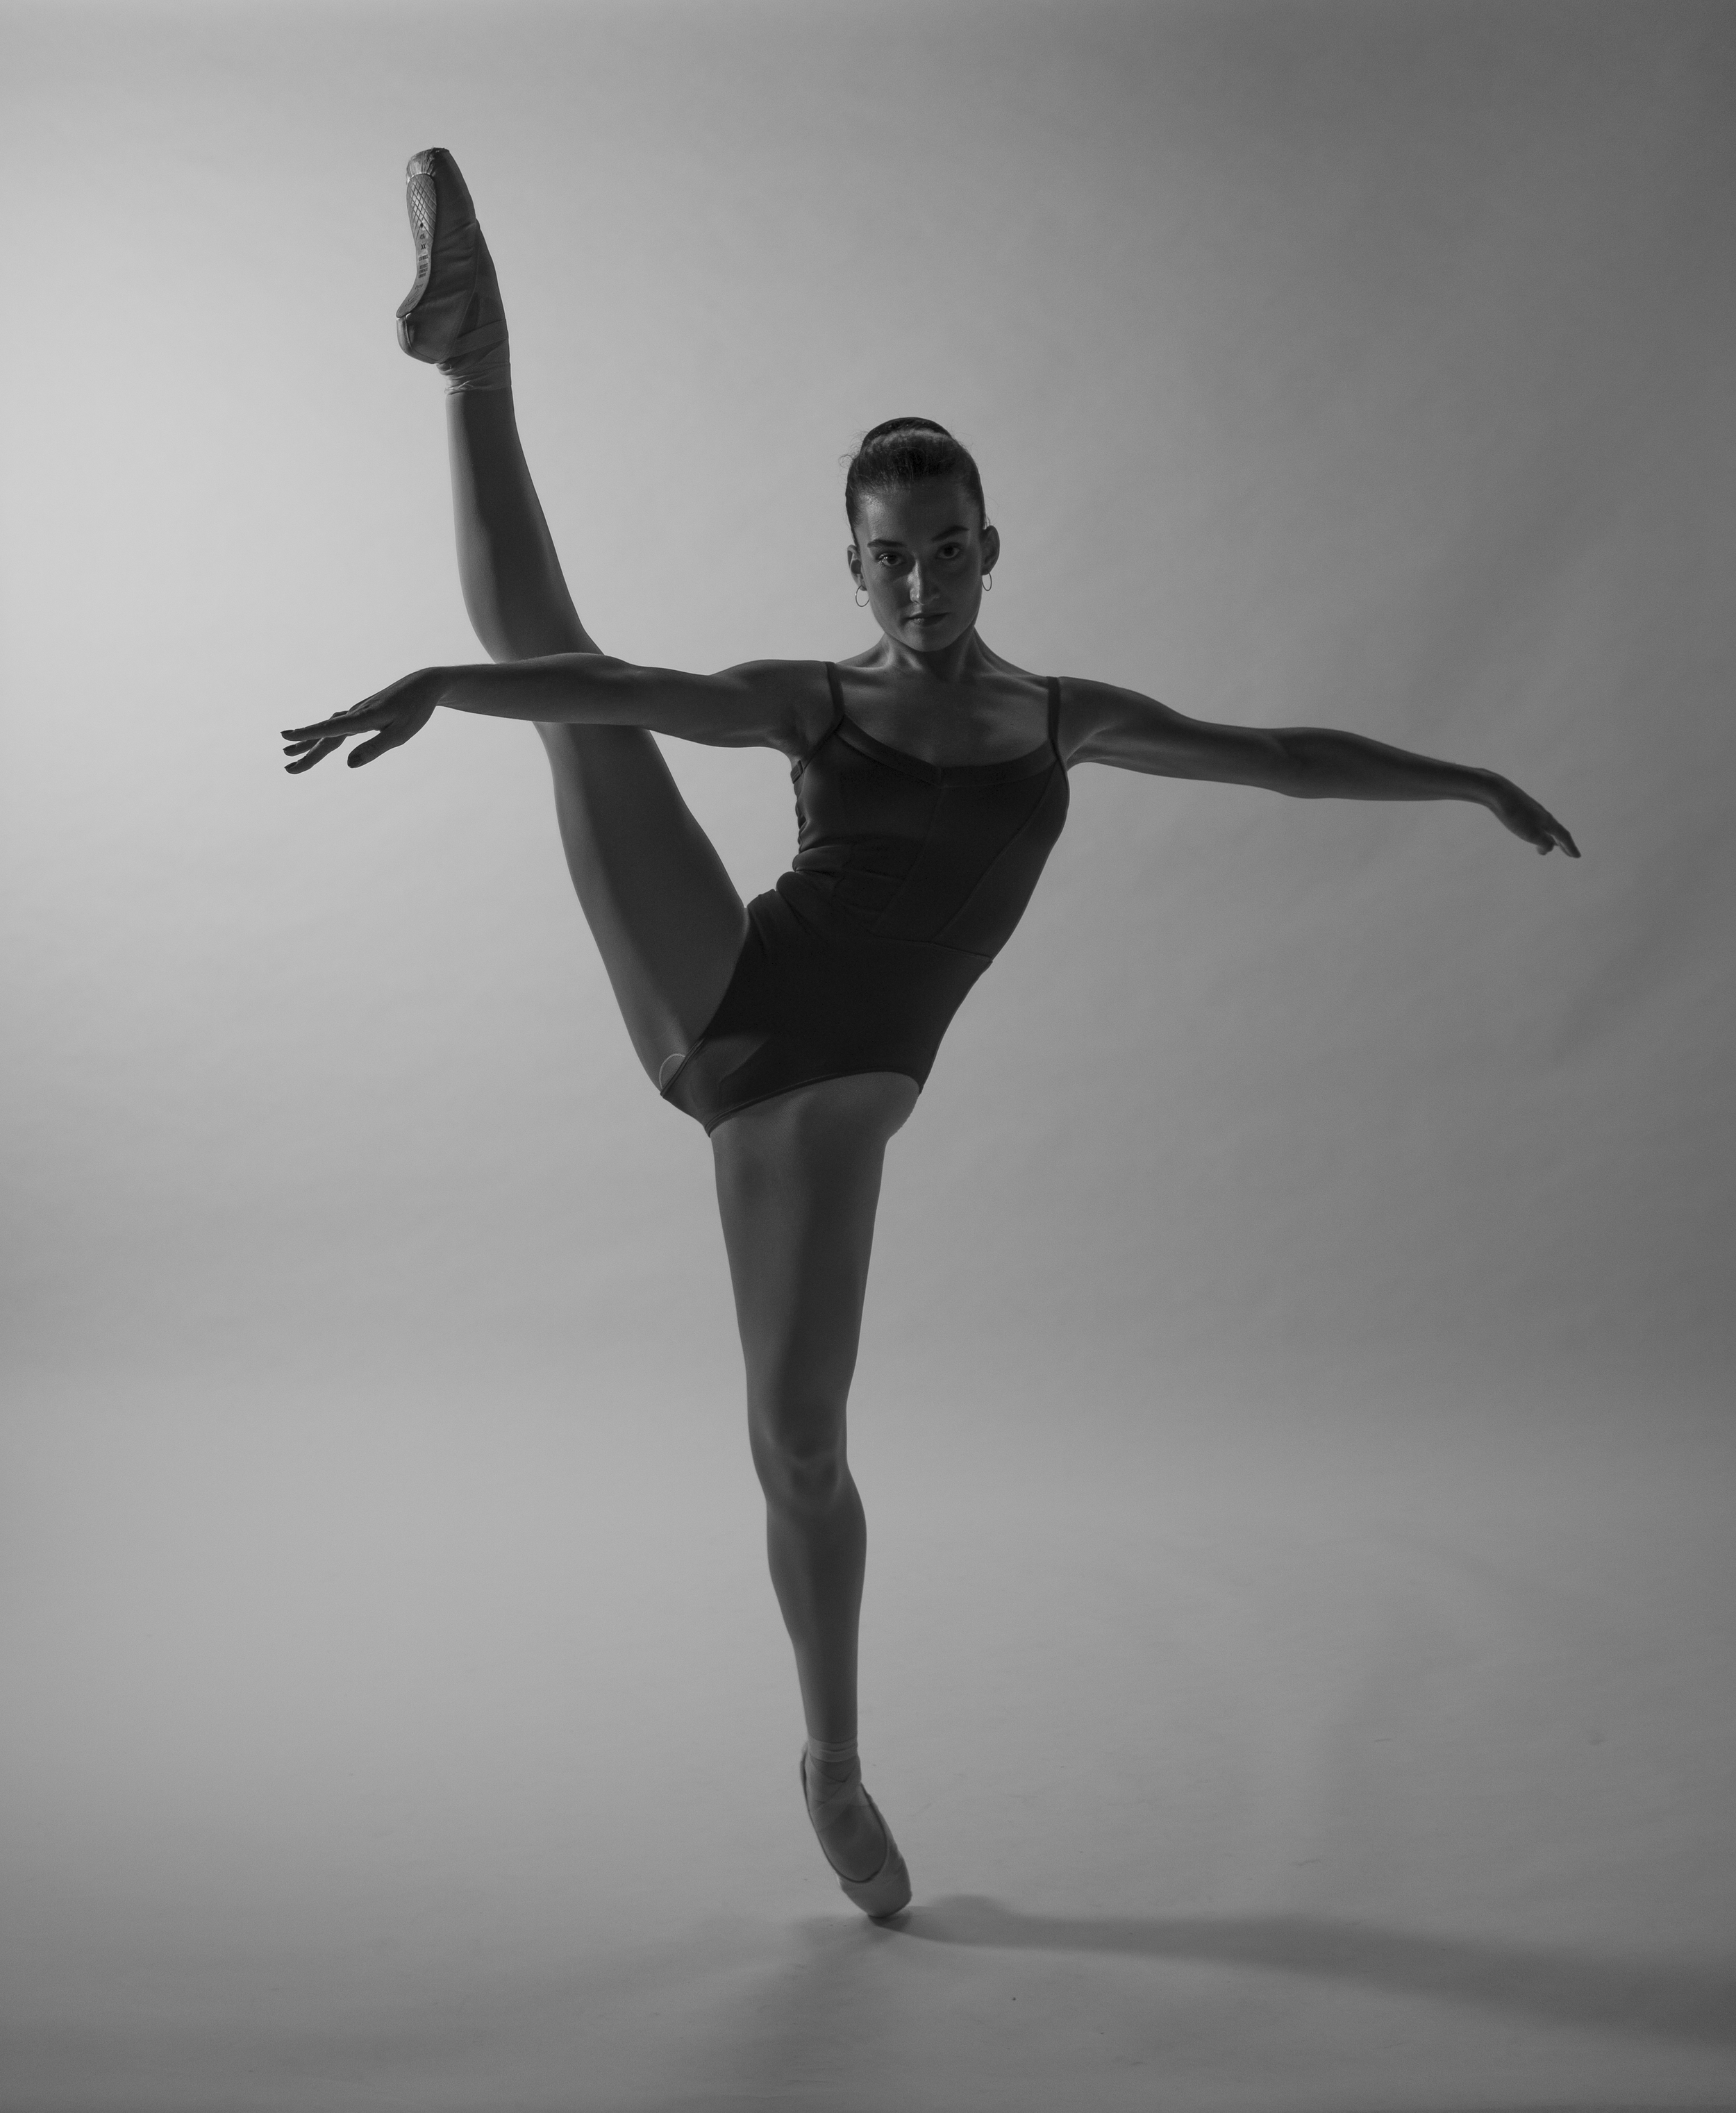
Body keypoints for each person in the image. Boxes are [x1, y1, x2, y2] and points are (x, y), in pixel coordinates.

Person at [283, 148, 1578, 1922]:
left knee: (802, 1443)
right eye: (888, 560)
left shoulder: (1063, 722)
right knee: (570, 703)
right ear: (855, 563)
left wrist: (1464, 778)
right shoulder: (821, 704)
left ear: (988, 547)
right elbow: (621, 688)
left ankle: (826, 1756)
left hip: (834, 1102)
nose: (919, 585)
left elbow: (1274, 755)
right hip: (727, 1001)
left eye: (946, 551)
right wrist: (449, 686)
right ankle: (474, 357)